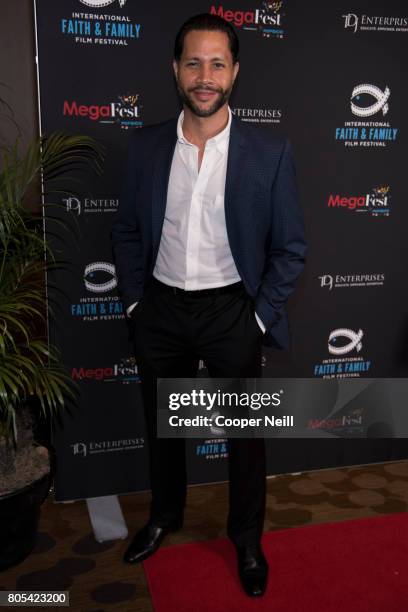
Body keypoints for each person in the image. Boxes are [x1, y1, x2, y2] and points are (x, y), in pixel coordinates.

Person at [111, 12, 306, 598]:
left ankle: (246, 539)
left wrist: (256, 317)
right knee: (163, 428)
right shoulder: (145, 147)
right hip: (161, 310)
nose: (205, 75)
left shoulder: (269, 152)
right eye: (193, 62)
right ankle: (164, 516)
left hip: (231, 314)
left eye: (217, 63)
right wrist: (134, 305)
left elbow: (291, 247)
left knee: (245, 438)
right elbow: (125, 232)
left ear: (235, 72)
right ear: (175, 71)